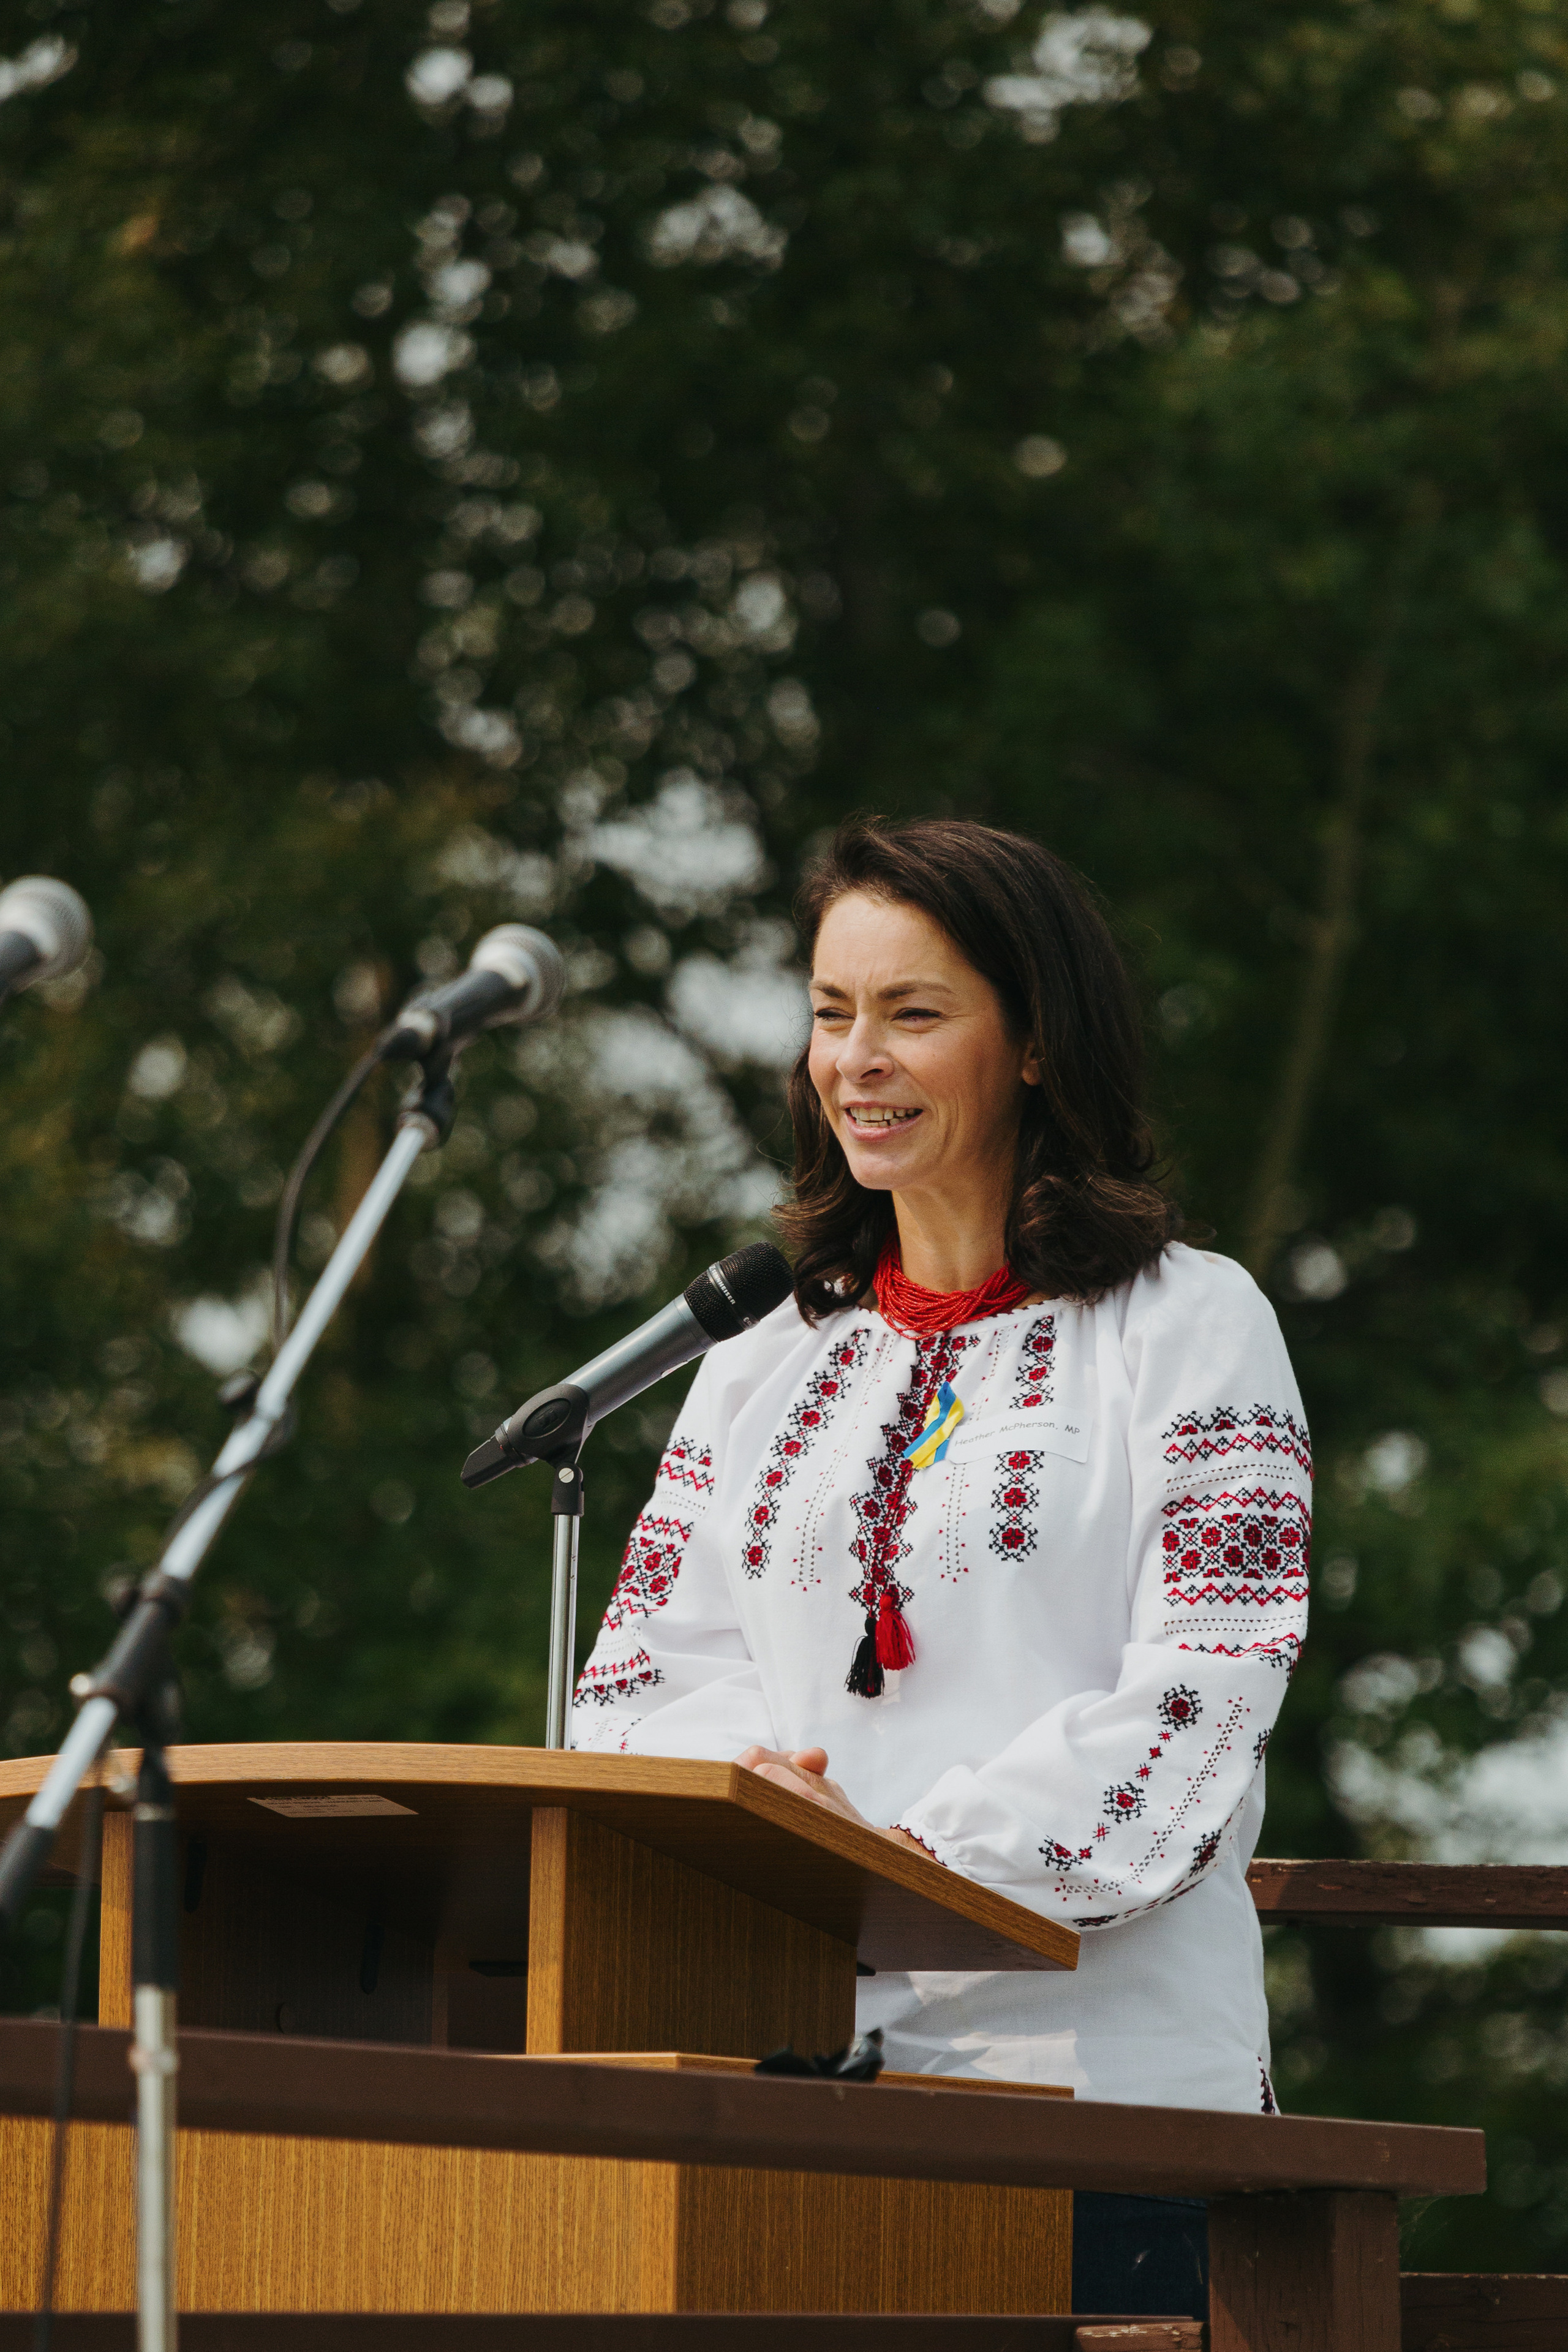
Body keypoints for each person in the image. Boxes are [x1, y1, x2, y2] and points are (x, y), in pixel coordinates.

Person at [572, 814, 1310, 2316]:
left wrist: (896, 1861)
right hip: (790, 2079)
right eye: (830, 1015)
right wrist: (753, 1804)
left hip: (1099, 2092)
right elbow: (641, 1676)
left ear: (1033, 1041)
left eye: (913, 1014)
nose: (856, 1061)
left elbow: (1205, 1691)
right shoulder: (761, 1354)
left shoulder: (1190, 1322)